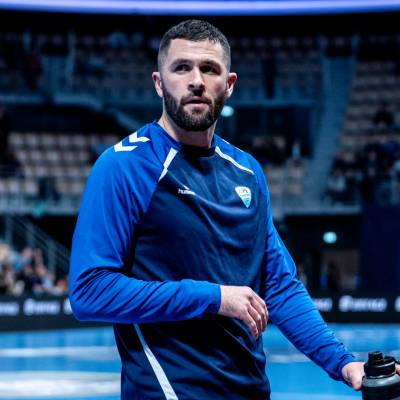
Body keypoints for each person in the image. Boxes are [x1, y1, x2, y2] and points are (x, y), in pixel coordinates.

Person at [69, 20, 399, 399]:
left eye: (209, 69)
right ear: (159, 83)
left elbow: (279, 286)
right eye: (182, 68)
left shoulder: (247, 171)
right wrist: (214, 297)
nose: (196, 81)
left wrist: (343, 363)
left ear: (229, 84)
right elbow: (89, 292)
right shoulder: (124, 166)